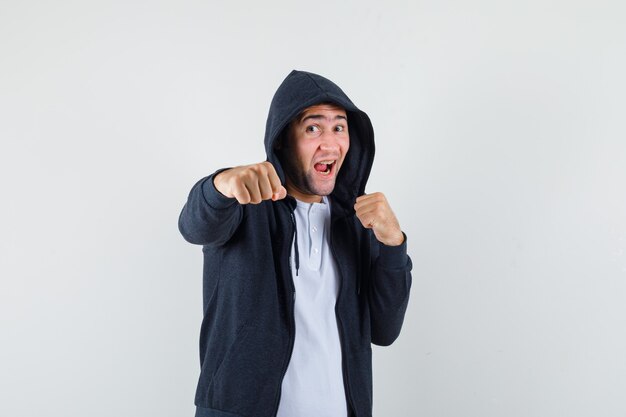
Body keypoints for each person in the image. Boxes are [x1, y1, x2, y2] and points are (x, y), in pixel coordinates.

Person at [178, 70, 412, 417]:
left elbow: (385, 329)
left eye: (339, 127)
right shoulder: (245, 204)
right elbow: (194, 226)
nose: (330, 144)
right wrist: (220, 185)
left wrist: (393, 243)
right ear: (284, 140)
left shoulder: (358, 223)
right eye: (313, 128)